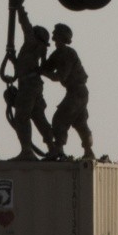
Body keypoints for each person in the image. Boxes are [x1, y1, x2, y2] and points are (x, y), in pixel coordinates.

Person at [5, 0, 55, 161]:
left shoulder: (32, 43)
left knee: (22, 116)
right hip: (33, 84)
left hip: (28, 85)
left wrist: (19, 7)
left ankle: (27, 151)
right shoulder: (36, 49)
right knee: (38, 116)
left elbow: (24, 24)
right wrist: (14, 60)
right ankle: (54, 148)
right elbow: (25, 66)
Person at [41, 22, 93, 160]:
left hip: (77, 91)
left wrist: (43, 72)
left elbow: (60, 76)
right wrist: (42, 56)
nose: (53, 37)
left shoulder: (67, 53)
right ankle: (88, 151)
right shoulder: (58, 53)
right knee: (80, 122)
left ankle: (58, 149)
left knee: (59, 119)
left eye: (55, 34)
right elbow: (46, 67)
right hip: (77, 92)